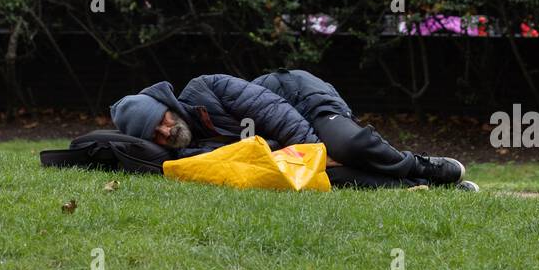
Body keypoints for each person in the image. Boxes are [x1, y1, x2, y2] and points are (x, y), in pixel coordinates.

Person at [109, 68, 479, 191]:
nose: (164, 132)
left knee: (346, 145)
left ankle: (418, 165)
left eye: (162, 120)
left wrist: (318, 151)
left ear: (167, 106)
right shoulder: (188, 153)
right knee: (332, 180)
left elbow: (272, 111)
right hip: (288, 143)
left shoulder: (207, 88)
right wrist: (315, 163)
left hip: (302, 101)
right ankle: (419, 189)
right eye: (154, 135)